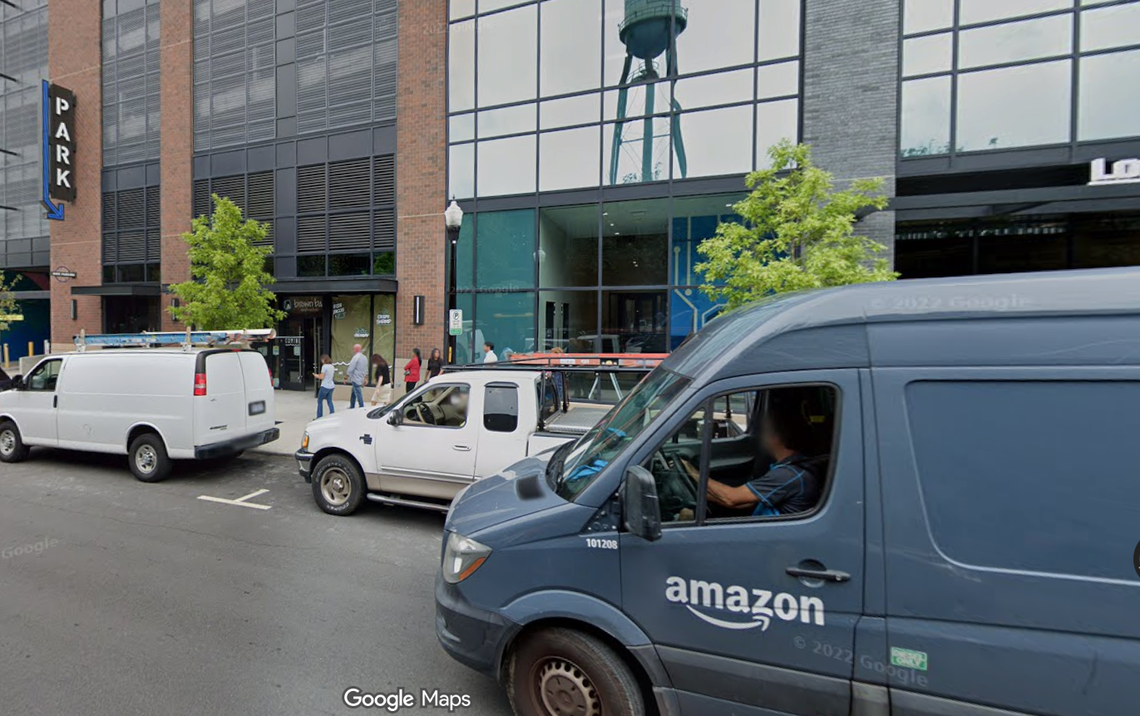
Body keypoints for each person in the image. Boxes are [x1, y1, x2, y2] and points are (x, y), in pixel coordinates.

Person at [680, 398, 821, 518]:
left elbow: (731, 498)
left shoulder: (788, 475)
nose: (762, 436)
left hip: (772, 540)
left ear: (775, 437)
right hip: (766, 529)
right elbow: (748, 502)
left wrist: (691, 471)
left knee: (686, 515)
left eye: (766, 431)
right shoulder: (790, 468)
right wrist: (698, 495)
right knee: (688, 513)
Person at [345, 343, 368, 409]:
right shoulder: (364, 357)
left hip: (355, 378)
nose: (353, 350)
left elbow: (351, 368)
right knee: (353, 392)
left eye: (354, 349)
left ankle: (361, 407)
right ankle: (352, 406)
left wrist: (346, 377)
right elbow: (366, 369)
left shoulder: (355, 357)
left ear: (356, 349)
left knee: (358, 393)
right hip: (361, 378)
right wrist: (365, 378)